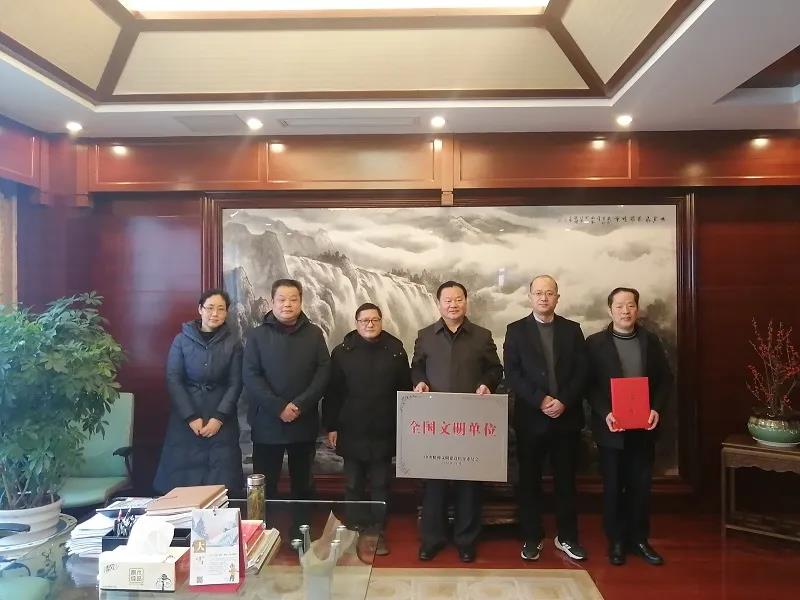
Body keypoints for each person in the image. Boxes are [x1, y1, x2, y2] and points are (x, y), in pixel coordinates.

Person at [411, 281, 503, 563]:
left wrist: (487, 384)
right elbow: (417, 366)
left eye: (458, 299)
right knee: (435, 483)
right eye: (448, 300)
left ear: (466, 302)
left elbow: (495, 369)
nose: (453, 305)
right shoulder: (425, 335)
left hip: (469, 420)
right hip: (436, 420)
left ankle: (466, 540)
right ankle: (432, 539)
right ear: (439, 304)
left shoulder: (482, 336)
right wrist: (420, 382)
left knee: (469, 484)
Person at [504, 275, 589, 562]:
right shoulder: (515, 330)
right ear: (530, 297)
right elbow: (513, 374)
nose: (544, 298)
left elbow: (582, 371)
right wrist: (540, 400)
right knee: (529, 481)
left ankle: (567, 537)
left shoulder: (572, 330)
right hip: (531, 419)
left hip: (567, 417)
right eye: (538, 293)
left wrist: (563, 400)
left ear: (557, 298)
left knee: (566, 481)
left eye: (549, 293)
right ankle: (532, 536)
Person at [586, 287, 673, 566]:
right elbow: (589, 385)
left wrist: (656, 409)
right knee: (613, 487)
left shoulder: (650, 340)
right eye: (620, 306)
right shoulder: (595, 343)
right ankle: (616, 541)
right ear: (610, 310)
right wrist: (605, 413)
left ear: (637, 309)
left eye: (631, 305)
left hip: (643, 427)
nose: (626, 311)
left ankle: (639, 540)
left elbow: (665, 380)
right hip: (611, 428)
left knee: (641, 487)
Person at [323, 303, 412, 555]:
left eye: (374, 320)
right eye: (364, 320)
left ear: (381, 321)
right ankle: (354, 528)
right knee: (353, 483)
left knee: (381, 484)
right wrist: (331, 425)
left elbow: (405, 390)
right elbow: (333, 392)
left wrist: (404, 426)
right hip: (351, 428)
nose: (370, 324)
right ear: (356, 323)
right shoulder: (342, 352)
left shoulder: (395, 350)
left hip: (385, 428)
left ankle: (376, 531)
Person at [242, 278, 330, 502]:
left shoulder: (314, 334)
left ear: (301, 302)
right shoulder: (257, 335)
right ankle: (263, 525)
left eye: (293, 299)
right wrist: (279, 407)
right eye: (281, 299)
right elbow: (251, 376)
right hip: (267, 423)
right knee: (264, 488)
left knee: (303, 486)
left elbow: (323, 372)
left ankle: (303, 524)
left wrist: (300, 404)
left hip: (303, 421)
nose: (287, 304)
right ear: (272, 301)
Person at [154, 289, 244, 495]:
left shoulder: (233, 343)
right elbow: (174, 379)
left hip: (221, 419)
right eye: (210, 308)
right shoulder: (181, 340)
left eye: (221, 309)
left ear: (226, 313)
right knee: (182, 483)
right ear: (200, 309)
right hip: (186, 419)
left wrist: (219, 418)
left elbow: (236, 383)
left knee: (222, 482)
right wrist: (190, 417)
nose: (215, 313)